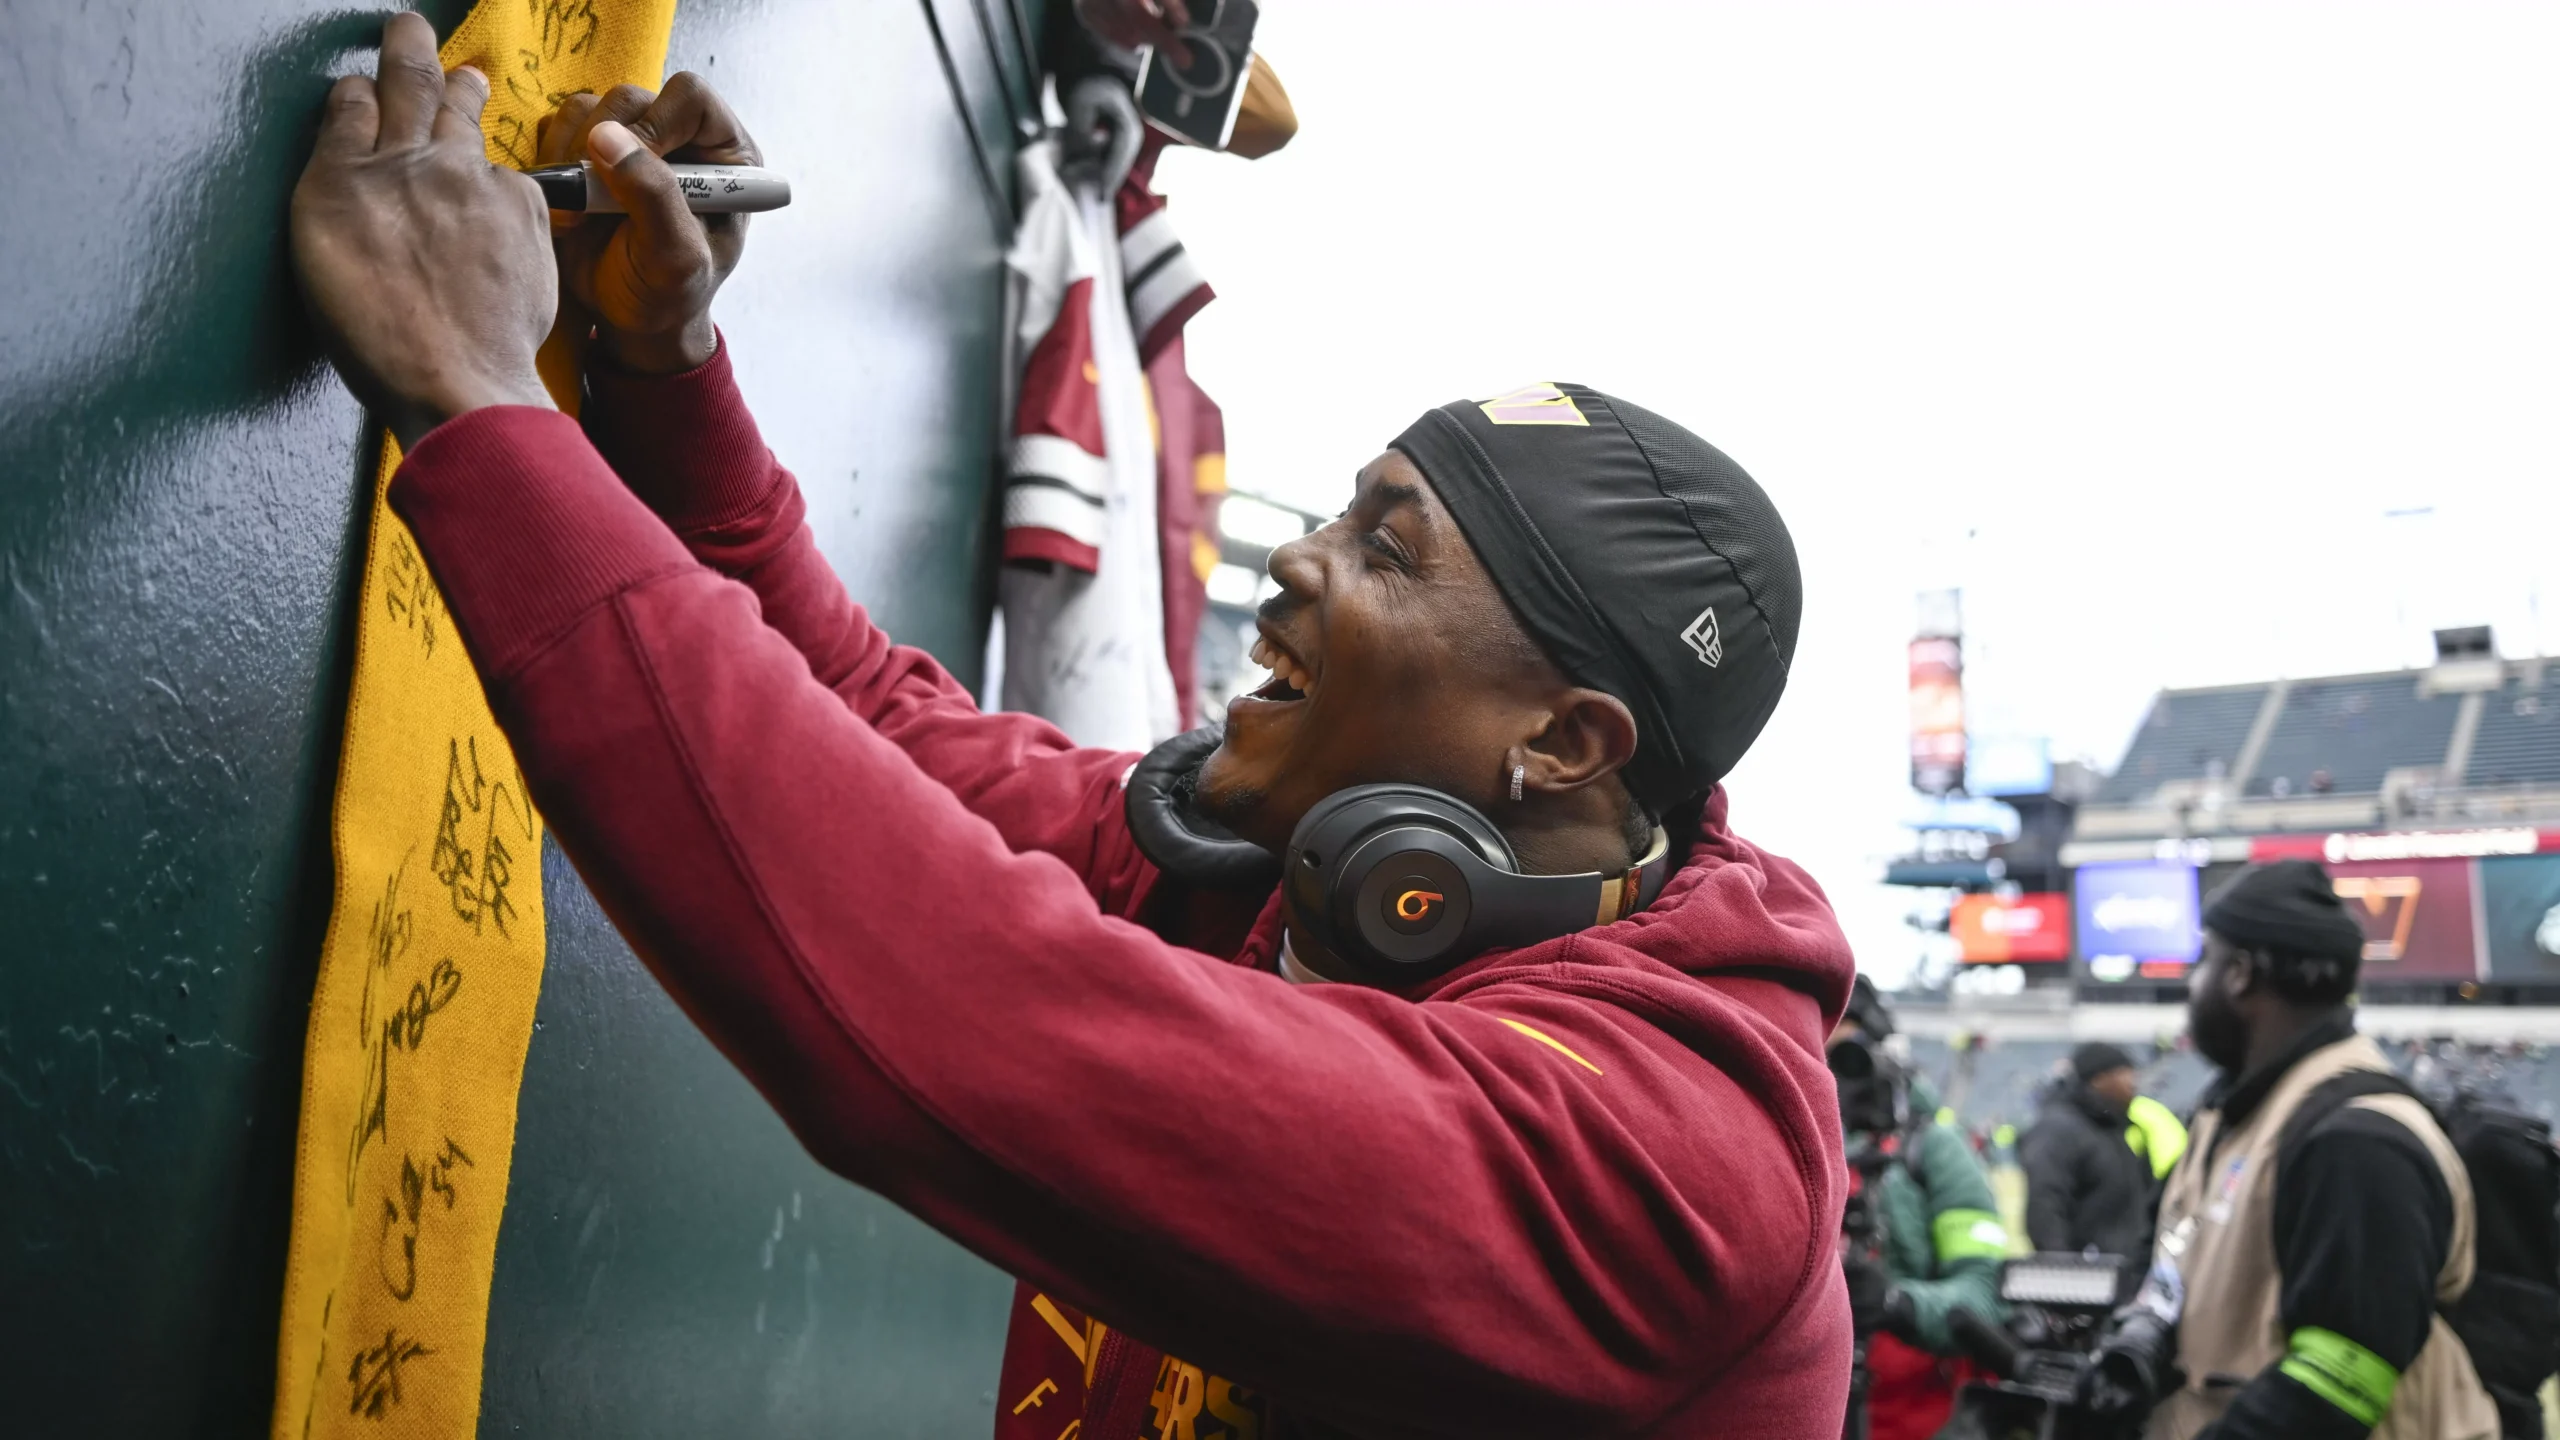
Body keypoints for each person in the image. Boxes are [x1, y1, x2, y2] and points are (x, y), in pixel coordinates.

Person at [288, 19, 1855, 1437]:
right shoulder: (1279, 871)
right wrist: (662, 360)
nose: (1298, 562)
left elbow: (971, 1003)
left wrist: (482, 402)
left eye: (1388, 554)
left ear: (1567, 746)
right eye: (1342, 514)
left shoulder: (1675, 1171)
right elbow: (868, 722)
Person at [2086, 861, 2497, 1440]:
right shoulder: (2228, 1113)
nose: (2192, 986)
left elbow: (2336, 1384)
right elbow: (2169, 1265)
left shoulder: (2360, 1140)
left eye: (2205, 962)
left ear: (2240, 975)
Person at [1830, 979, 2011, 1440]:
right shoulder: (1784, 1146)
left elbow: (1984, 1294)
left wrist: (1897, 1304)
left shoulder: (1934, 1150)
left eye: (1843, 1051)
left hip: (1921, 1420)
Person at [2019, 1041, 2158, 1259]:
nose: (2133, 1083)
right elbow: (2045, 1204)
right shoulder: (2059, 1129)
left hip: (2121, 1268)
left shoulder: (2113, 1128)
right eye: (2124, 1074)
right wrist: (2060, 1267)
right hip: (2087, 1272)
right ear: (2099, 1079)